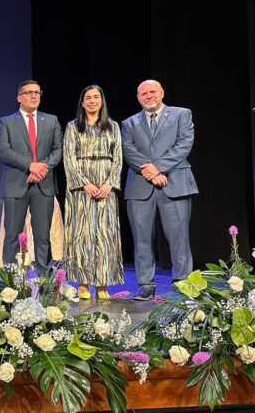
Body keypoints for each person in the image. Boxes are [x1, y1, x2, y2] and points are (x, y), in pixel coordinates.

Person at [122, 79, 197, 301]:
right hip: (140, 186)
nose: (148, 96)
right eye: (143, 93)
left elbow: (184, 143)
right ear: (138, 97)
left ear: (162, 92)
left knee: (179, 238)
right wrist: (150, 171)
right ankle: (145, 285)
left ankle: (183, 284)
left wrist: (159, 168)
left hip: (175, 183)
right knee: (142, 239)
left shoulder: (181, 114)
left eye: (152, 91)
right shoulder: (129, 123)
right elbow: (128, 149)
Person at [62, 85, 123, 300]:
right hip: (81, 189)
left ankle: (102, 284)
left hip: (106, 186)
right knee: (82, 235)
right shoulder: (72, 127)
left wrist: (109, 184)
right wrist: (84, 183)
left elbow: (118, 158)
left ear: (102, 101)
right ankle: (83, 282)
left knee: (105, 235)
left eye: (96, 97)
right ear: (82, 102)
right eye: (88, 97)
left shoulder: (113, 126)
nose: (92, 101)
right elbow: (69, 158)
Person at [0, 80, 63, 275]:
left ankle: (44, 278)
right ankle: (12, 279)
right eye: (28, 93)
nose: (34, 96)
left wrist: (42, 168)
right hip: (16, 185)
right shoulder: (6, 122)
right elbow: (3, 150)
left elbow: (58, 150)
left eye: (37, 92)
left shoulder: (51, 120)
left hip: (44, 185)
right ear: (19, 97)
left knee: (43, 236)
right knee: (12, 235)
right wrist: (30, 166)